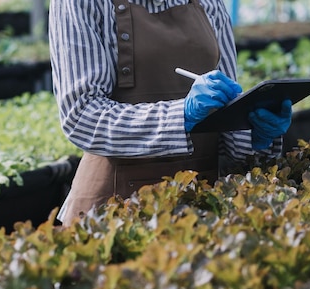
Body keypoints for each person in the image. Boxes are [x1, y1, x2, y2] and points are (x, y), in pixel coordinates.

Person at [49, 0, 292, 226]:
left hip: (200, 203)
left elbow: (225, 112)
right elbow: (81, 115)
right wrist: (179, 117)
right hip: (115, 211)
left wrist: (256, 133)